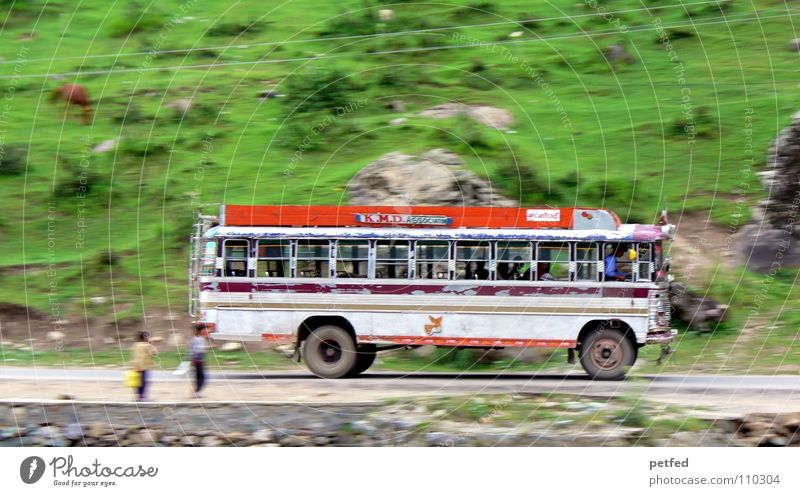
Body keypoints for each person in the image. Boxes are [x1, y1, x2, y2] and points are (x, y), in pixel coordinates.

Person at [131, 331, 157, 401]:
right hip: (144, 366)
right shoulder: (147, 345)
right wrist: (152, 344)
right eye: (147, 336)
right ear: (144, 337)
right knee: (144, 382)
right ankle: (142, 397)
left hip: (136, 366)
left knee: (138, 382)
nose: (148, 338)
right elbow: (154, 353)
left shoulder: (136, 345)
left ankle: (139, 397)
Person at [190, 323, 209, 398]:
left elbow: (193, 349)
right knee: (202, 377)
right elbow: (196, 350)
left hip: (198, 360)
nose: (205, 330)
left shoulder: (197, 338)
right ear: (200, 330)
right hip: (198, 360)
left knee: (199, 377)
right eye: (204, 329)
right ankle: (197, 392)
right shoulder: (198, 339)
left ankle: (197, 392)